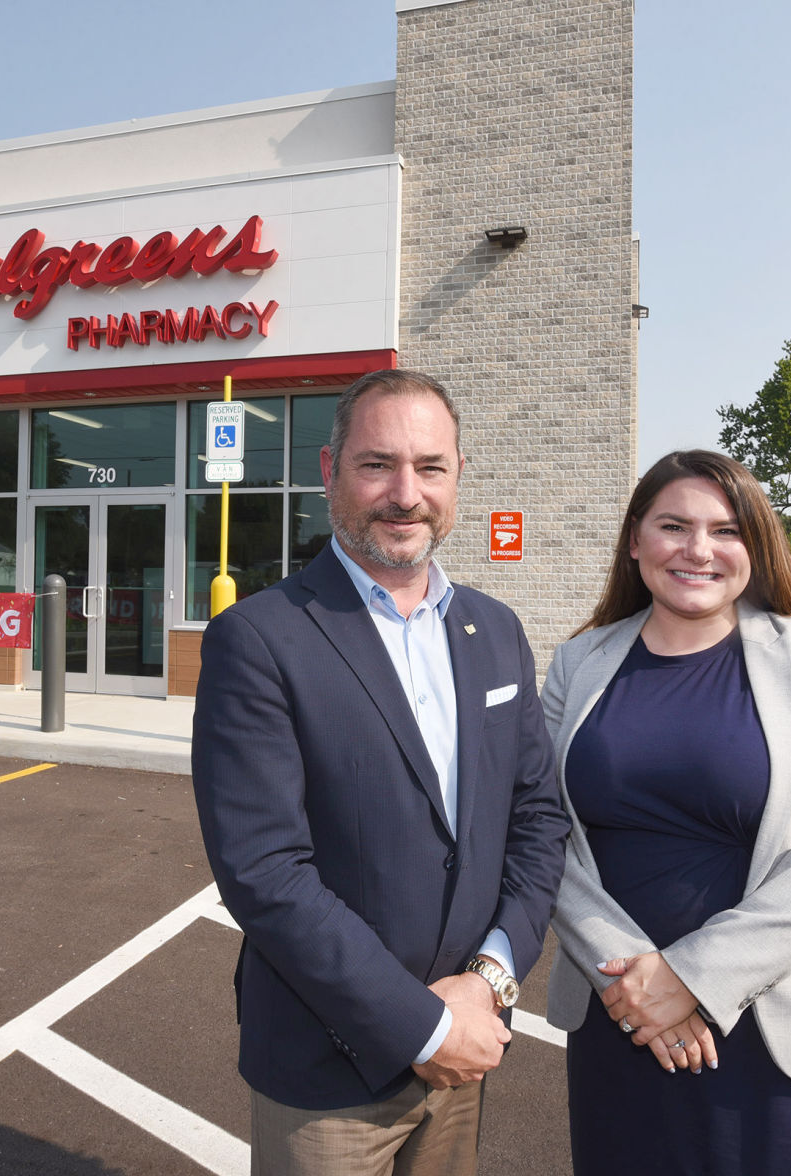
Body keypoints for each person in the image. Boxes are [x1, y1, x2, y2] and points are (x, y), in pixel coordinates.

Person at [191, 369, 570, 1176]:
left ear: (458, 476)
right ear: (331, 471)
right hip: (329, 1071)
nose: (406, 494)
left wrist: (489, 982)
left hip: (471, 1042)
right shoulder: (258, 639)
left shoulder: (495, 631)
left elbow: (537, 818)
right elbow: (264, 873)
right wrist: (424, 1026)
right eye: (378, 465)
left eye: (430, 467)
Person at [543, 449, 791, 1176]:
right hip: (622, 1014)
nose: (697, 550)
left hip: (785, 1029)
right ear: (634, 540)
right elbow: (541, 834)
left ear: (758, 545)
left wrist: (689, 979)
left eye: (726, 530)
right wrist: (635, 982)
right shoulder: (578, 663)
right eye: (673, 526)